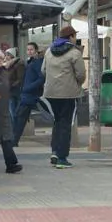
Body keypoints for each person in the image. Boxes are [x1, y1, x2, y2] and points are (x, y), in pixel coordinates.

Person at [41, 25, 86, 169]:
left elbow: (43, 71)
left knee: (57, 121)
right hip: (68, 94)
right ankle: (62, 158)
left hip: (50, 93)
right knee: (66, 124)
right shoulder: (74, 53)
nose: (75, 39)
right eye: (75, 36)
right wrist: (75, 84)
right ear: (71, 37)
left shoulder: (49, 51)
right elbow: (80, 75)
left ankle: (54, 152)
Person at [12, 42, 45, 146]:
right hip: (25, 94)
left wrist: (28, 88)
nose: (29, 52)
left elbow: (41, 78)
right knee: (18, 116)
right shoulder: (30, 62)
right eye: (28, 50)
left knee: (20, 117)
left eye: (31, 49)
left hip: (30, 95)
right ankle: (13, 140)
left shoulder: (38, 62)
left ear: (36, 50)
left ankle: (14, 141)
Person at [5, 47, 25, 124]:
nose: (6, 57)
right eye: (5, 55)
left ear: (12, 55)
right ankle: (13, 130)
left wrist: (11, 85)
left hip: (16, 91)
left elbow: (20, 79)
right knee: (11, 112)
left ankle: (15, 130)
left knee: (15, 112)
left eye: (8, 55)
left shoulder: (19, 64)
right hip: (9, 91)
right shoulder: (7, 64)